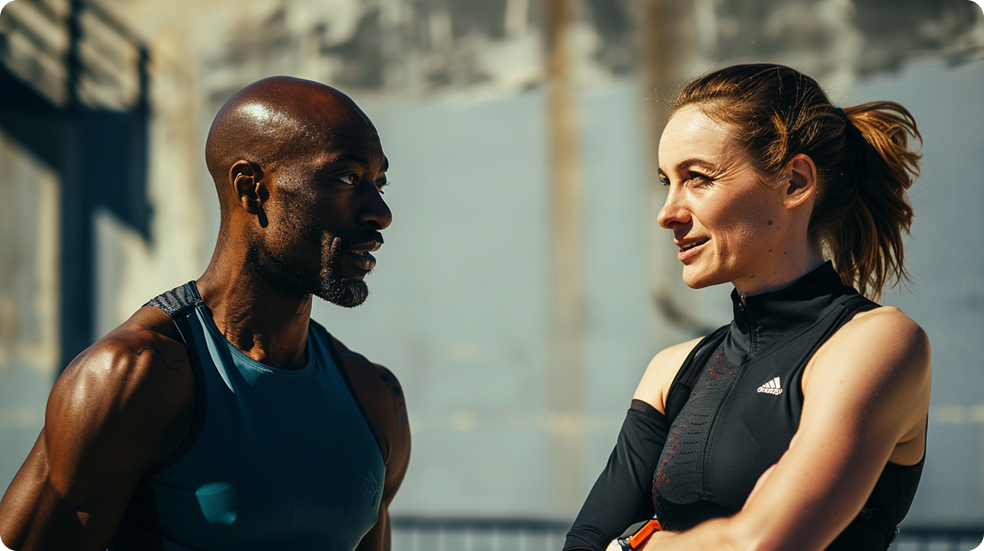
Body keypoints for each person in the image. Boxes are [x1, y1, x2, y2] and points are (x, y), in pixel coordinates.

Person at [0, 76, 410, 551]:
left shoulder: (374, 397)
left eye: (379, 183)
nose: (380, 213)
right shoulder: (132, 379)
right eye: (347, 178)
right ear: (251, 188)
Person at [564, 63, 930, 551]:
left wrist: (639, 543)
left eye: (697, 178)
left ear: (794, 182)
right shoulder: (672, 371)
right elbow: (584, 544)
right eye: (666, 181)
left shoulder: (874, 342)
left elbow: (761, 543)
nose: (667, 213)